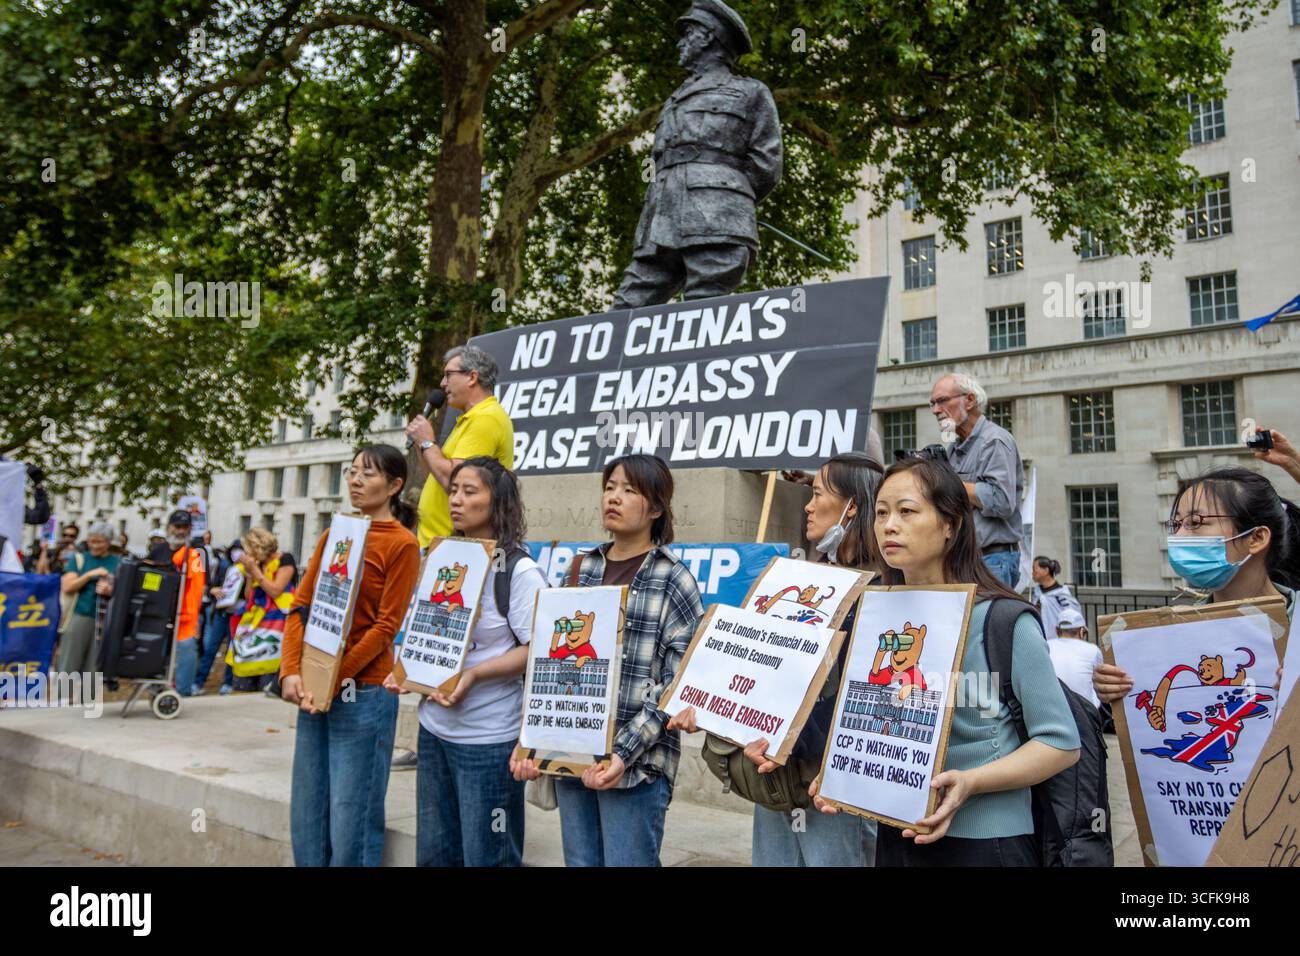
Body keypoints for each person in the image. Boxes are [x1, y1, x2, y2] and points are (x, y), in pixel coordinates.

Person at [812, 456, 1080, 866]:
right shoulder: (874, 614)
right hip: (897, 831)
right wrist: (843, 773)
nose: (889, 525)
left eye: (907, 511)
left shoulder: (1004, 620)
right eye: (881, 513)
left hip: (986, 841)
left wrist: (971, 782)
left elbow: (1060, 743)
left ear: (951, 524)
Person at [671, 451, 882, 866]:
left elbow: (865, 703)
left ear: (852, 507)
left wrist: (789, 738)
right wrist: (712, 708)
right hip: (775, 782)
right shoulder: (798, 581)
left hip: (831, 790)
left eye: (817, 493)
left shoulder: (883, 595)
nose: (806, 505)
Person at [510, 453, 704, 867]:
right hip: (574, 755)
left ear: (655, 508)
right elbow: (550, 664)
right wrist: (531, 741)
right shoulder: (581, 568)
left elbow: (679, 683)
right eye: (610, 487)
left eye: (629, 490)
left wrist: (623, 751)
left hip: (637, 768)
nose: (613, 497)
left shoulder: (675, 578)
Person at [384, 456, 546, 866]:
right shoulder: (442, 559)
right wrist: (410, 671)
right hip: (434, 732)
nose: (455, 500)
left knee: (488, 855)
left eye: (469, 491)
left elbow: (537, 649)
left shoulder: (519, 570)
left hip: (489, 742)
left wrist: (473, 675)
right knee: (436, 855)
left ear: (498, 502)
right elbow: (427, 628)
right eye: (453, 490)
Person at [280, 444, 420, 867]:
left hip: (364, 694)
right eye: (352, 471)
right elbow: (300, 607)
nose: (356, 481)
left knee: (351, 813)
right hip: (314, 689)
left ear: (395, 486)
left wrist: (334, 679)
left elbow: (385, 628)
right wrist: (291, 672)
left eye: (368, 473)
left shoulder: (402, 545)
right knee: (307, 809)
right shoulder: (334, 534)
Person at [611, 0, 782, 308]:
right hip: (661, 219)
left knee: (702, 315)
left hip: (718, 220)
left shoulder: (751, 93)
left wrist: (724, 199)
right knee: (625, 309)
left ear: (707, 37)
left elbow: (767, 166)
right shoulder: (674, 99)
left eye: (687, 33)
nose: (680, 42)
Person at [1094, 467, 1300, 706]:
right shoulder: (1173, 630)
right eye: (1176, 524)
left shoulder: (1296, 624)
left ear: (1255, 538)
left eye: (1195, 522)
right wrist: (1114, 687)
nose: (1178, 537)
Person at [406, 345, 514, 550]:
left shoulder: (486, 418)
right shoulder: (468, 419)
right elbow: (435, 473)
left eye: (448, 375)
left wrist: (428, 442)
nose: (442, 383)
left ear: (472, 377)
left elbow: (452, 480)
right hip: (438, 541)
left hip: (453, 544)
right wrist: (422, 443)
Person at [929, 372, 1024, 587]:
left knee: (986, 621)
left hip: (993, 561)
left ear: (970, 400)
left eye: (942, 401)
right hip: (964, 560)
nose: (935, 410)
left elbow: (1001, 500)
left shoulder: (995, 441)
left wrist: (947, 483)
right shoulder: (954, 448)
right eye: (932, 403)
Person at [225, 528, 295, 693]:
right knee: (243, 671)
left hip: (277, 624)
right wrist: (250, 575)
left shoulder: (285, 559)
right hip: (255, 622)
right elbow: (249, 595)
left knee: (268, 674)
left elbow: (275, 590)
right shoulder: (258, 564)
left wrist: (256, 572)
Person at [57, 522, 119, 702]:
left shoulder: (117, 562)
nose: (95, 545)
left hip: (103, 619)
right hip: (79, 615)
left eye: (99, 542)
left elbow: (122, 590)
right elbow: (67, 586)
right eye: (92, 541)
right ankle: (62, 701)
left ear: (108, 542)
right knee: (69, 661)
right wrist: (89, 575)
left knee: (93, 664)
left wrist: (110, 589)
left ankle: (87, 702)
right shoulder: (78, 559)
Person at [161, 510, 207, 696]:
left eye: (185, 527)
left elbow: (198, 588)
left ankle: (182, 692)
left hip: (185, 618)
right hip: (159, 614)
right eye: (177, 526)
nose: (180, 531)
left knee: (187, 652)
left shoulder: (195, 556)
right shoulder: (158, 551)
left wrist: (194, 619)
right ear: (169, 527)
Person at [197, 539, 245, 696]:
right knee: (211, 648)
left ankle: (227, 682)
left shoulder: (246, 571)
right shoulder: (225, 568)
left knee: (231, 651)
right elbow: (211, 585)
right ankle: (198, 682)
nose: (236, 553)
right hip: (221, 613)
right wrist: (213, 590)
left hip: (236, 614)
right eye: (234, 550)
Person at [1047, 608, 1102, 709]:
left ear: (1057, 630)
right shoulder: (1093, 650)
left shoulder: (1046, 646)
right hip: (1086, 713)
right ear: (1081, 631)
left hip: (1053, 708)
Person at [1031, 555, 1083, 638]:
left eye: (1034, 569)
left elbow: (1075, 618)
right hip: (1039, 639)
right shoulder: (1036, 592)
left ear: (1045, 570)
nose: (1032, 572)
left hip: (1057, 641)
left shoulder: (1062, 595)